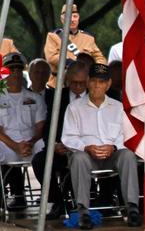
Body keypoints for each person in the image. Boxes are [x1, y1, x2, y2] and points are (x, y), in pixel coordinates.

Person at [62, 63, 141, 228]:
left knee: (127, 155)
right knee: (78, 158)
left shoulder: (118, 107)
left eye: (102, 81)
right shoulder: (74, 108)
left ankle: (132, 208)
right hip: (87, 156)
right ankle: (83, 211)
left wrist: (113, 147)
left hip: (112, 155)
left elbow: (125, 135)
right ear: (88, 81)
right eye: (94, 80)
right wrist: (87, 147)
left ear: (108, 84)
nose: (97, 85)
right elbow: (68, 137)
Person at [0, 52, 47, 218]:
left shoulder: (34, 97)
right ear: (3, 72)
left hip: (31, 146)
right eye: (11, 69)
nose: (15, 73)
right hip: (9, 147)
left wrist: (29, 143)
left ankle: (49, 195)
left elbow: (40, 128)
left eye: (18, 69)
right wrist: (16, 146)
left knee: (46, 144)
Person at [32, 59, 90, 218]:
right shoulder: (57, 97)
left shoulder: (95, 96)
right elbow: (49, 127)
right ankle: (58, 200)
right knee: (39, 161)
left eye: (82, 83)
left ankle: (79, 201)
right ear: (67, 80)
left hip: (87, 150)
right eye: (74, 83)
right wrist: (54, 144)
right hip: (61, 148)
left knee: (78, 161)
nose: (78, 87)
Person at [44, 3, 105, 86]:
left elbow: (100, 58)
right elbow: (51, 57)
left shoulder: (89, 38)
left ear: (78, 18)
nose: (72, 20)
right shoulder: (53, 36)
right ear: (62, 19)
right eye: (68, 17)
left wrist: (94, 70)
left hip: (83, 85)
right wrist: (74, 65)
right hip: (59, 84)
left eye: (75, 16)